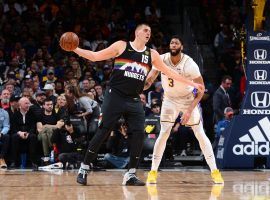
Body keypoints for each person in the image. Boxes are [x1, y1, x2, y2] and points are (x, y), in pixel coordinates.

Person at [61, 24, 203, 186]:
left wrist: (191, 83)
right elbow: (94, 56)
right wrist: (75, 49)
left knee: (139, 134)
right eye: (145, 30)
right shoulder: (121, 46)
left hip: (134, 99)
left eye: (150, 31)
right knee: (103, 131)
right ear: (137, 33)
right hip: (115, 96)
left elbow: (170, 72)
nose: (148, 33)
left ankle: (130, 174)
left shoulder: (152, 54)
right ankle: (84, 168)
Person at [144, 35, 224, 184]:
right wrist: (141, 86)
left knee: (199, 133)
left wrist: (189, 110)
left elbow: (201, 89)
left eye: (176, 42)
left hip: (188, 100)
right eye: (171, 42)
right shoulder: (161, 59)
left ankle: (215, 171)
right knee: (163, 133)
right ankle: (153, 171)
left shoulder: (189, 63)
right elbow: (150, 79)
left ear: (182, 46)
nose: (173, 44)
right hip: (169, 99)